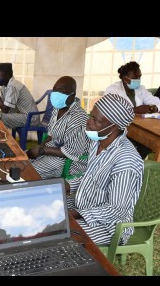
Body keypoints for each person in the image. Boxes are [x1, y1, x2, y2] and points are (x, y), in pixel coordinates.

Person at [66, 93, 143, 245]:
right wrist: (66, 185)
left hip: (110, 226)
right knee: (46, 208)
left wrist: (73, 214)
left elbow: (116, 210)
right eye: (91, 115)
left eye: (96, 120)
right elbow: (91, 178)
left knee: (59, 235)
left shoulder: (126, 161)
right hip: (85, 204)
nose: (89, 122)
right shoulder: (98, 141)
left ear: (113, 126)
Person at [27, 76, 90, 179]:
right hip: (53, 150)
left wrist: (42, 150)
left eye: (62, 91)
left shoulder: (78, 118)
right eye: (55, 90)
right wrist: (40, 147)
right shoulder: (58, 108)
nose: (56, 94)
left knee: (27, 171)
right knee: (21, 160)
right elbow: (51, 134)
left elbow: (71, 152)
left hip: (69, 161)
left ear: (73, 95)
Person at [104, 61, 160, 159]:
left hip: (139, 128)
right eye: (135, 77)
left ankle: (138, 162)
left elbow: (157, 102)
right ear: (125, 78)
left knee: (148, 145)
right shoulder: (113, 90)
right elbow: (110, 111)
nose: (138, 80)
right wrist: (134, 110)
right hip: (118, 129)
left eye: (139, 77)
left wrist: (154, 107)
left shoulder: (140, 89)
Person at [0, 62, 40, 129]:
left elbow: (5, 110)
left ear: (8, 75)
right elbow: (4, 107)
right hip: (21, 114)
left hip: (31, 118)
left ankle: (4, 138)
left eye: (0, 76)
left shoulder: (13, 86)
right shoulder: (4, 85)